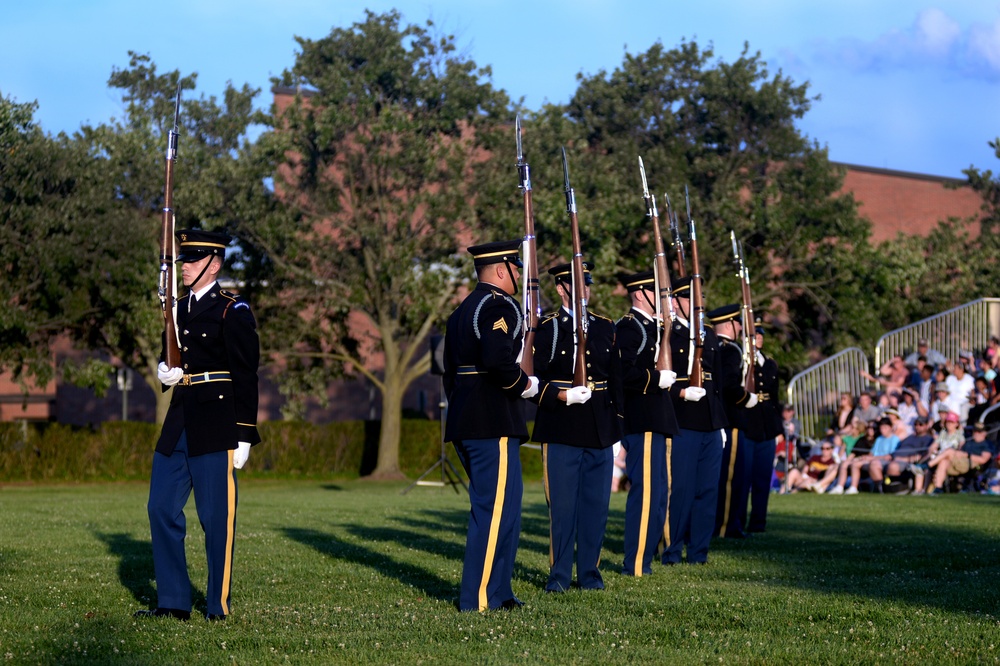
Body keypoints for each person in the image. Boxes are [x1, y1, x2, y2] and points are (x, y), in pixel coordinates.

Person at [136, 229, 260, 622]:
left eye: (192, 260)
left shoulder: (232, 309)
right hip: (180, 419)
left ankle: (216, 606)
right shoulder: (176, 308)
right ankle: (173, 602)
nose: (184, 267)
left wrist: (244, 433)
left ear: (215, 263)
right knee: (160, 508)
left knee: (215, 518)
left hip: (217, 422)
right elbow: (171, 354)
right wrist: (163, 371)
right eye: (183, 260)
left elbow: (246, 374)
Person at [443, 239, 536, 612]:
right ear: (502, 270)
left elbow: (450, 374)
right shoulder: (498, 306)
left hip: (471, 420)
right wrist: (524, 385)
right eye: (516, 268)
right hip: (491, 421)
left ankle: (500, 593)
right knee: (494, 512)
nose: (519, 276)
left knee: (506, 510)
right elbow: (499, 363)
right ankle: (479, 598)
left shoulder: (463, 309)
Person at [531, 262, 621, 593]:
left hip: (599, 427)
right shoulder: (547, 328)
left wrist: (617, 429)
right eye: (577, 283)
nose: (584, 289)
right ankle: (558, 576)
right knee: (563, 508)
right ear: (560, 288)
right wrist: (561, 396)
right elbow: (532, 381)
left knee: (596, 508)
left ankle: (590, 574)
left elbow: (616, 381)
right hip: (561, 426)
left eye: (587, 283)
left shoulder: (605, 327)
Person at [614, 270, 678, 576]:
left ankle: (647, 556)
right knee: (647, 493)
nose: (666, 300)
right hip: (643, 419)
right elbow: (623, 372)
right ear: (640, 293)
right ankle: (637, 562)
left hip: (659, 418)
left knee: (660, 493)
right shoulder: (631, 327)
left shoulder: (654, 327)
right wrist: (656, 378)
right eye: (659, 293)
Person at [662, 276, 726, 565]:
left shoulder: (709, 335)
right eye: (691, 299)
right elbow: (662, 379)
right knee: (682, 490)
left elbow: (720, 382)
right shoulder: (670, 334)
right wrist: (681, 392)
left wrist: (720, 423)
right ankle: (672, 549)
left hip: (710, 424)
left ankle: (699, 551)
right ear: (676, 301)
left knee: (708, 491)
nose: (698, 305)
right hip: (683, 421)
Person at [710, 304, 760, 539]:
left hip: (721, 418)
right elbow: (730, 386)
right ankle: (726, 526)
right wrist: (746, 398)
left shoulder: (715, 345)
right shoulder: (731, 350)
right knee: (731, 477)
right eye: (739, 323)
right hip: (732, 418)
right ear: (730, 324)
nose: (741, 327)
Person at [742, 323, 783, 533]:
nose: (759, 337)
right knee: (743, 477)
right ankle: (736, 523)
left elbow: (774, 398)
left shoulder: (770, 363)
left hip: (767, 424)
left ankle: (759, 522)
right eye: (754, 334)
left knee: (762, 477)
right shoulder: (743, 361)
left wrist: (778, 426)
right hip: (748, 423)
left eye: (760, 334)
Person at [829, 418, 898, 494]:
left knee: (871, 464)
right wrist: (863, 458)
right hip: (873, 459)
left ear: (890, 428)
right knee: (852, 463)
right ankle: (847, 487)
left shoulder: (894, 439)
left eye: (885, 428)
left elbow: (889, 456)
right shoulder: (879, 439)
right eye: (881, 428)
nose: (882, 430)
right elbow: (872, 452)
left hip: (881, 461)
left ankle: (881, 488)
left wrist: (871, 458)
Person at [927, 421, 995, 494]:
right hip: (959, 462)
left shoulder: (986, 444)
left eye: (979, 432)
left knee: (949, 451)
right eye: (974, 431)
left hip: (972, 464)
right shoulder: (969, 442)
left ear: (984, 433)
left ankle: (928, 465)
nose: (976, 433)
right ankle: (938, 488)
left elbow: (983, 460)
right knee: (944, 461)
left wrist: (967, 455)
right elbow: (959, 452)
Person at [884, 416, 936, 494]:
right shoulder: (909, 437)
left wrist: (905, 459)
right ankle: (879, 489)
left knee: (893, 466)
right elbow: (898, 449)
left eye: (920, 424)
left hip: (906, 461)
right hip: (893, 457)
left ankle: (896, 489)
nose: (917, 426)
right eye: (915, 424)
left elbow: (923, 456)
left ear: (926, 426)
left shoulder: (928, 439)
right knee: (875, 464)